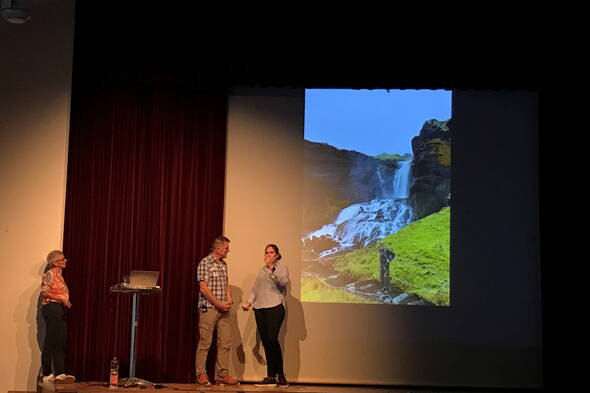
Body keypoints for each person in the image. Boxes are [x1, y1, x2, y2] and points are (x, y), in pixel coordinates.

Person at [241, 244, 289, 387]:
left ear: (277, 255)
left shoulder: (281, 268)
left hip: (275, 307)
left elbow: (283, 282)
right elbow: (255, 289)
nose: (268, 255)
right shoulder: (261, 271)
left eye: (271, 252)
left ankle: (280, 375)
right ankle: (270, 376)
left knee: (273, 339)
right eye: (266, 252)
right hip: (260, 308)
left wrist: (272, 269)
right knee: (267, 342)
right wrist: (249, 303)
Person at [195, 236, 239, 386]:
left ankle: (222, 375)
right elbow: (204, 288)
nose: (229, 250)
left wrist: (228, 299)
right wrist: (218, 304)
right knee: (205, 343)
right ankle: (201, 374)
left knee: (225, 342)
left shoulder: (223, 264)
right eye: (227, 247)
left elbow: (226, 284)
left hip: (223, 309)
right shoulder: (205, 263)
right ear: (218, 248)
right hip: (209, 308)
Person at [40, 250, 76, 387]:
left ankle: (60, 373)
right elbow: (44, 292)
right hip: (52, 308)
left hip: (59, 309)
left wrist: (64, 300)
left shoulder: (59, 275)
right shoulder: (50, 274)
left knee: (61, 340)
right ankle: (47, 373)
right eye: (63, 259)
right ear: (55, 262)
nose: (65, 260)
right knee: (50, 340)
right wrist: (61, 298)